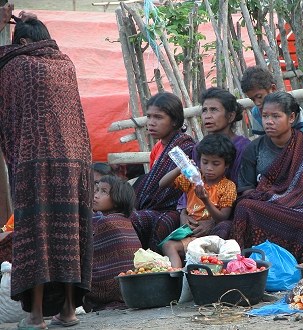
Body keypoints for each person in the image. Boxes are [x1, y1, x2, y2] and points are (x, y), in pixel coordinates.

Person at [0, 6, 92, 329]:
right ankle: (67, 311)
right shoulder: (66, 64)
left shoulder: (17, 66)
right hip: (75, 162)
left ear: (22, 42)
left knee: (36, 234)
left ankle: (36, 316)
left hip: (34, 162)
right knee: (68, 235)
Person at [230, 91, 303, 259]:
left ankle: (292, 262)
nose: (269, 121)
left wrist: (289, 197)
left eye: (276, 116)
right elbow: (246, 189)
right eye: (265, 116)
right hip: (267, 204)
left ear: (291, 117)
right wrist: (271, 196)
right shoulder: (254, 148)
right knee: (244, 207)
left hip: (300, 206)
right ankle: (249, 261)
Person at [177, 87, 251, 239]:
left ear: (230, 116)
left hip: (227, 212)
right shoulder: (199, 148)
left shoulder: (244, 148)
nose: (207, 116)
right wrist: (183, 214)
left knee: (223, 228)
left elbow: (243, 191)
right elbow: (191, 183)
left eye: (214, 110)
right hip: (196, 209)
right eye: (204, 110)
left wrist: (212, 220)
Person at [130, 92, 195, 252]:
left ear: (174, 121)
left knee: (138, 220)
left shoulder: (185, 148)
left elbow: (184, 188)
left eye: (158, 117)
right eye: (149, 116)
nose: (151, 123)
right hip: (152, 206)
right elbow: (152, 186)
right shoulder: (158, 148)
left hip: (174, 209)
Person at [159, 134, 237, 267]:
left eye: (215, 163)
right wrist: (180, 168)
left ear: (226, 165)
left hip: (209, 235)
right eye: (205, 162)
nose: (209, 168)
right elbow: (162, 184)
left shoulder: (228, 186)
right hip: (189, 231)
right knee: (167, 246)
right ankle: (176, 275)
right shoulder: (194, 177)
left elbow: (222, 217)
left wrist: (206, 200)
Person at [85, 175, 141, 311]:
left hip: (108, 290)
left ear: (117, 200)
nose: (96, 196)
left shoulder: (105, 222)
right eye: (96, 190)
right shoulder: (126, 220)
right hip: (129, 289)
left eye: (103, 192)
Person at [240, 66, 303, 140]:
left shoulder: (290, 106)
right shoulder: (256, 113)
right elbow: (262, 141)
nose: (257, 103)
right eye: (253, 99)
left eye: (259, 97)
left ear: (273, 89)